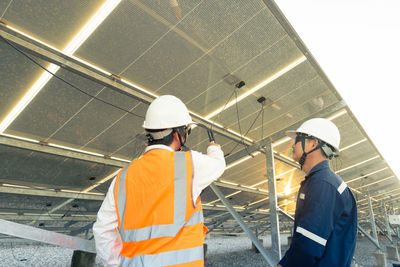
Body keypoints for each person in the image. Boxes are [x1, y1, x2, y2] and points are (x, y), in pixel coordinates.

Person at [93, 95, 226, 266]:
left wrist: (115, 264)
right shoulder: (190, 164)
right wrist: (213, 148)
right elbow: (218, 165)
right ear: (179, 134)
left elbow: (103, 230)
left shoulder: (123, 176)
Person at [278, 118, 357, 267]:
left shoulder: (323, 184)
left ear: (314, 143)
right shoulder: (322, 181)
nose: (293, 145)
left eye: (298, 139)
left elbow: (309, 245)